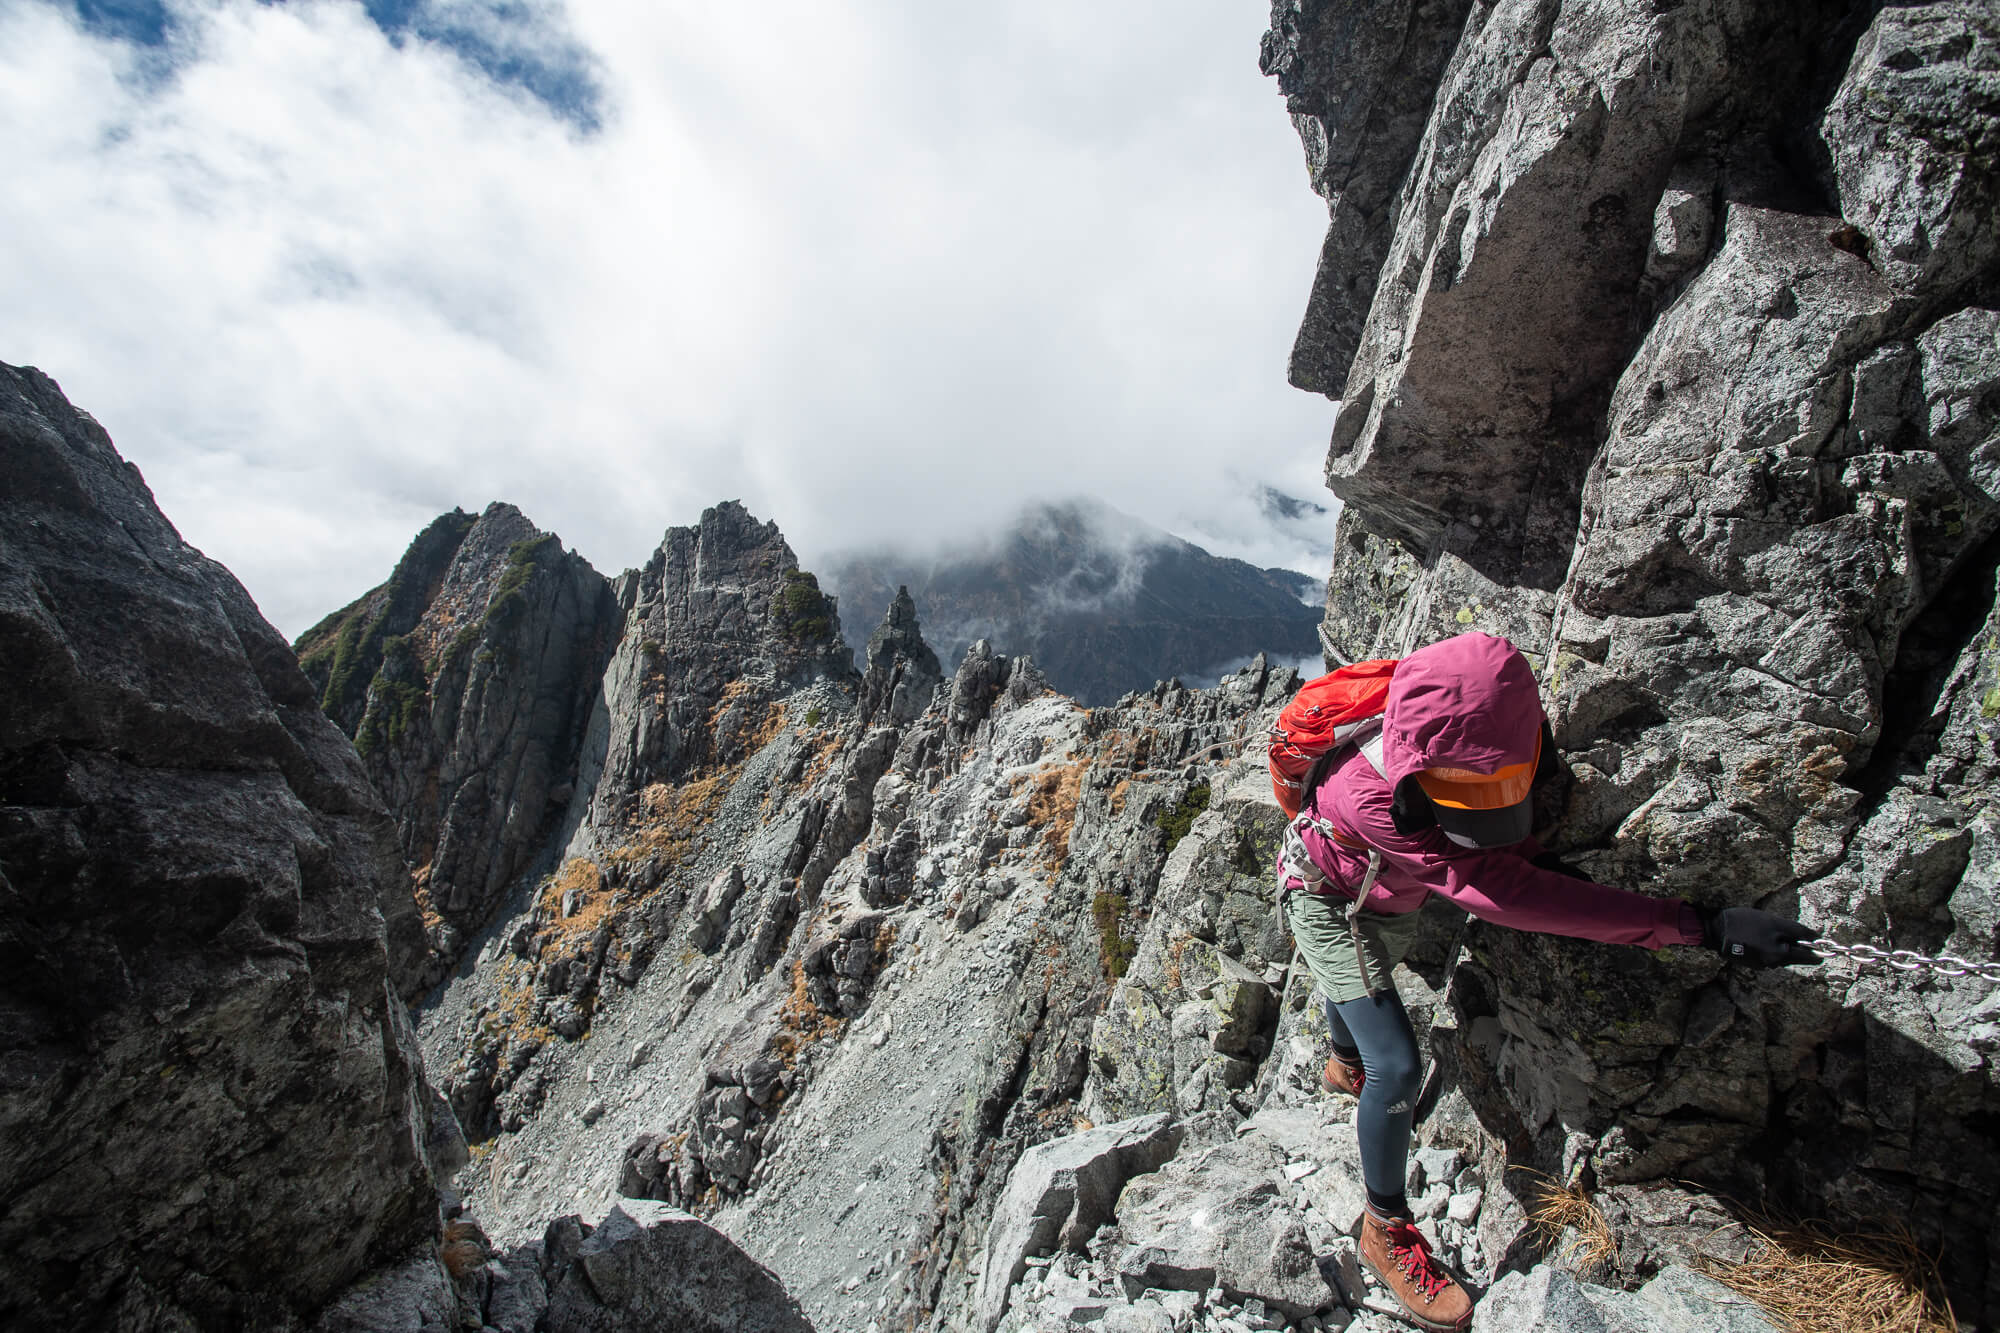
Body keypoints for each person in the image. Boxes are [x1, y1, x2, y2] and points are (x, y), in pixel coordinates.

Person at [1276, 632, 1816, 1333]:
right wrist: (1696, 924)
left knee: (1359, 981)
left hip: (1381, 892)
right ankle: (1384, 1226)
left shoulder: (1502, 722)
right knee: (1398, 1063)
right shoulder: (1372, 795)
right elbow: (1513, 894)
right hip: (1327, 899)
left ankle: (1342, 1060)